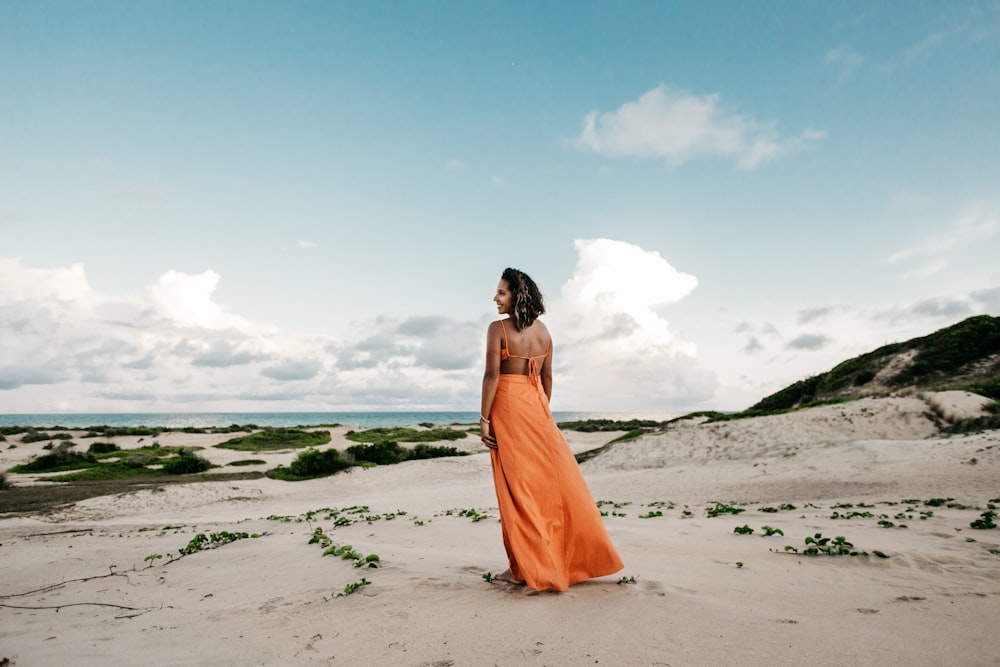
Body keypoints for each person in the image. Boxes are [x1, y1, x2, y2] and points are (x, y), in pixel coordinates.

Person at [480, 267, 623, 591]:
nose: (495, 298)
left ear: (517, 295)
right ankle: (556, 560)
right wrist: (542, 413)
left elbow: (492, 376)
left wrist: (485, 418)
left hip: (508, 407)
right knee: (548, 486)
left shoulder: (497, 329)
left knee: (517, 490)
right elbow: (547, 379)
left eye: (501, 292)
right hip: (537, 407)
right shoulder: (544, 332)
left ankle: (524, 567)